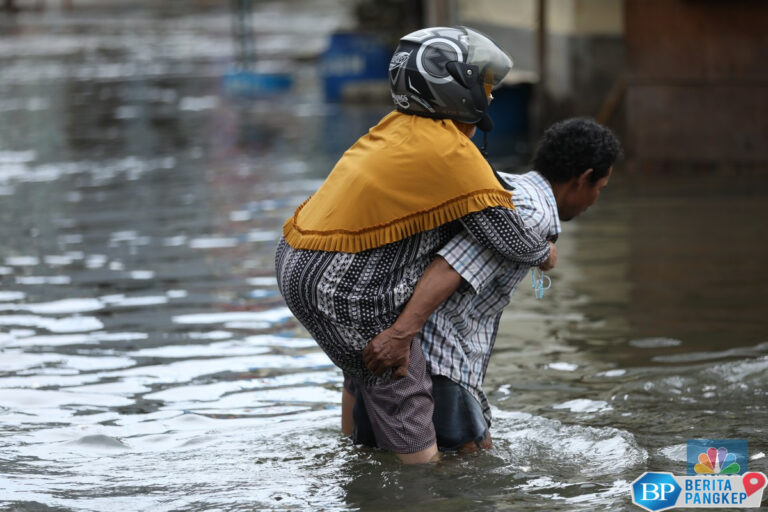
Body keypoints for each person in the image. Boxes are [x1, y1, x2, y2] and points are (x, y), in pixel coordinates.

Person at [275, 26, 557, 464]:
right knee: (405, 391)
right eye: (483, 84)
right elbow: (506, 234)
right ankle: (419, 484)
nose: (492, 95)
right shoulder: (450, 151)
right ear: (455, 89)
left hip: (298, 265)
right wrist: (546, 253)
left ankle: (353, 454)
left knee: (366, 374)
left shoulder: (395, 128)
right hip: (345, 286)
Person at [360, 117, 622, 453]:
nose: (594, 200)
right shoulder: (533, 214)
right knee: (469, 474)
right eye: (599, 189)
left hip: (392, 352)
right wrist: (401, 336)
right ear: (584, 178)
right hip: (435, 357)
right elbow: (451, 266)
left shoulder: (507, 185)